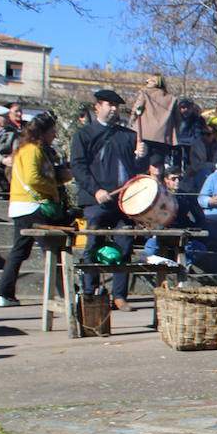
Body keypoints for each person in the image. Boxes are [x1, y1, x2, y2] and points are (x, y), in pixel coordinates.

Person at [70, 89, 140, 311]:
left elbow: (137, 170)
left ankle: (119, 295)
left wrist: (142, 154)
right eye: (108, 105)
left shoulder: (128, 136)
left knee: (125, 244)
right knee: (93, 244)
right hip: (96, 200)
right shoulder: (84, 134)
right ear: (97, 107)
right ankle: (89, 293)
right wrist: (95, 190)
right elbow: (78, 167)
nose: (113, 109)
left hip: (123, 201)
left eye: (116, 106)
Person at [0, 112, 68, 306]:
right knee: (52, 251)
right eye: (52, 132)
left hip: (24, 207)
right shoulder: (31, 151)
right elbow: (33, 179)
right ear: (42, 133)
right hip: (32, 206)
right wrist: (53, 189)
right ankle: (68, 292)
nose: (54, 136)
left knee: (20, 251)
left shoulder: (30, 150)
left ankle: (5, 293)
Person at [131, 75, 180, 175]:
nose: (146, 82)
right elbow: (177, 120)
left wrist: (131, 123)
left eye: (148, 80)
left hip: (144, 135)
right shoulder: (172, 99)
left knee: (141, 166)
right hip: (163, 138)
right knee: (157, 167)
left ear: (155, 82)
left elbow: (136, 110)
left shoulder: (144, 93)